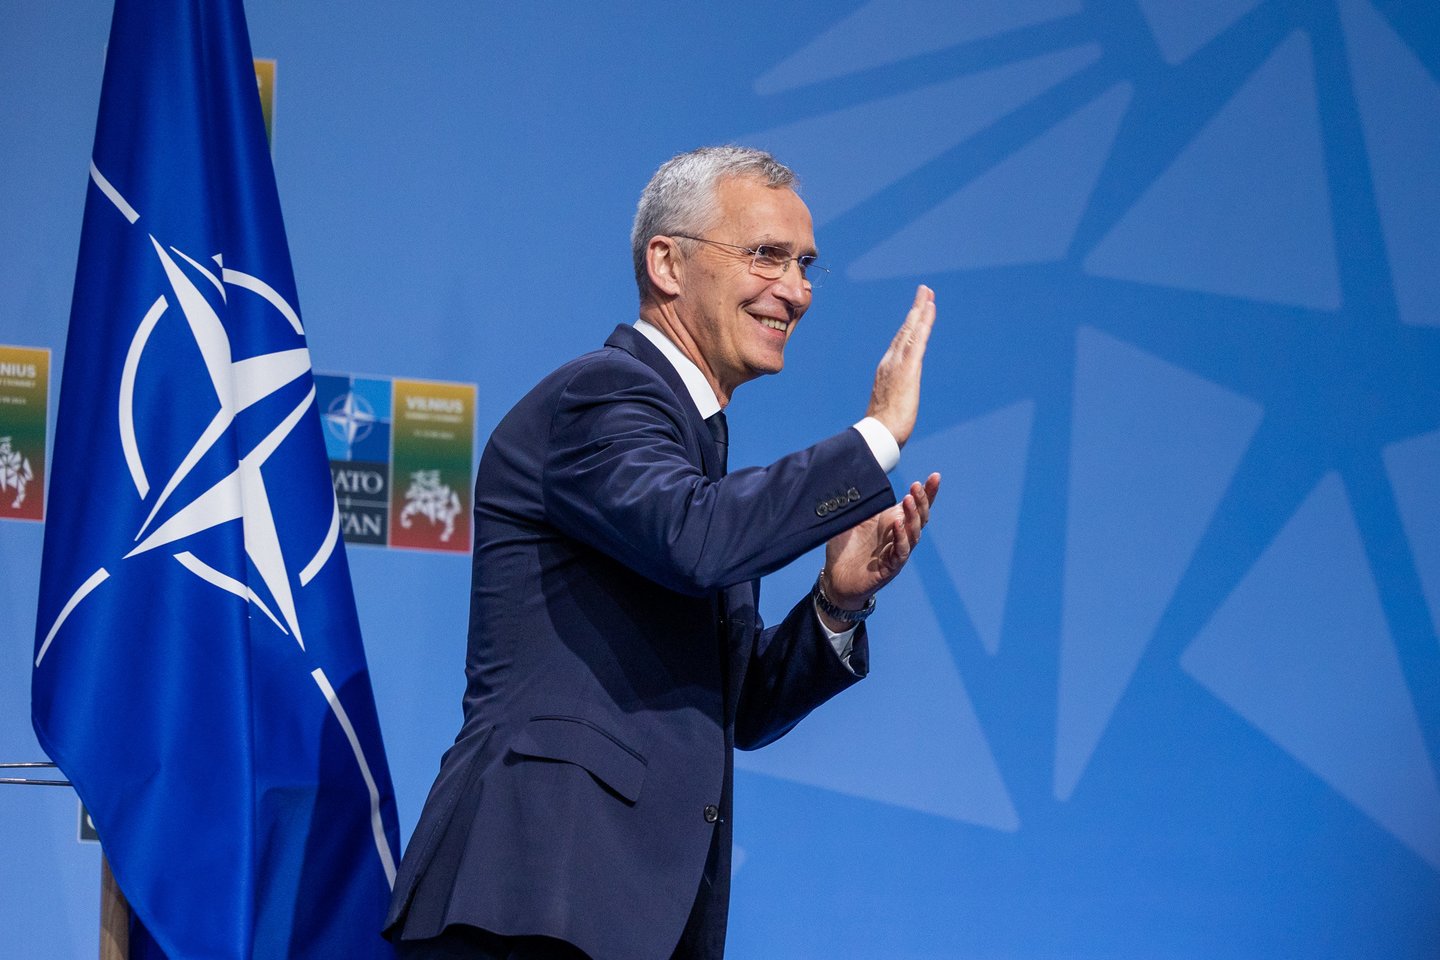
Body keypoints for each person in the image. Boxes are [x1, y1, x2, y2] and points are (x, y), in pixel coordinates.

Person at [384, 146, 940, 960]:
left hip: (629, 921)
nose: (796, 290)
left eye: (804, 264)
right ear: (667, 263)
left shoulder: (694, 457)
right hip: (530, 899)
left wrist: (837, 604)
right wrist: (876, 438)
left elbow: (741, 705)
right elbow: (695, 541)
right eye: (766, 255)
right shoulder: (603, 394)